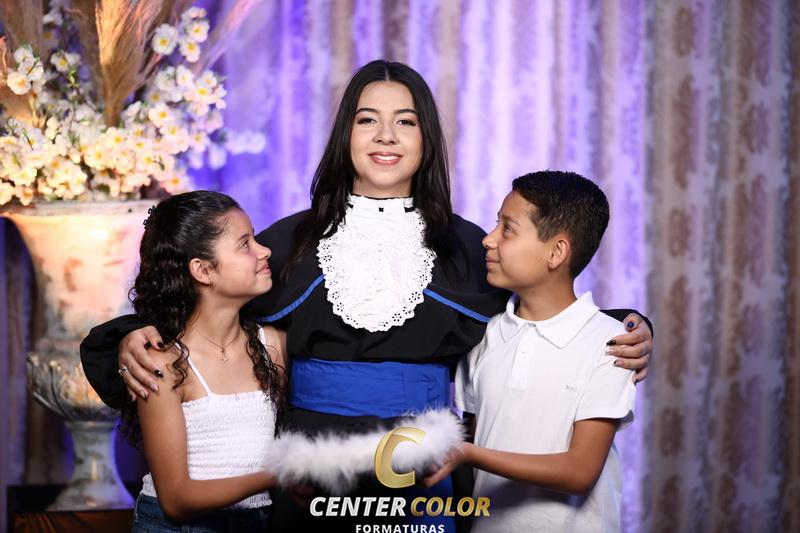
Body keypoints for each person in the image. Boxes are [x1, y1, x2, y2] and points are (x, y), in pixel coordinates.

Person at [80, 60, 653, 532]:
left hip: (422, 469)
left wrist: (627, 323)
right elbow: (193, 303)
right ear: (345, 135)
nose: (385, 136)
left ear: (426, 139)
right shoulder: (287, 243)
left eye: (405, 121)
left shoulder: (467, 247)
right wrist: (130, 335)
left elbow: (544, 306)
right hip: (310, 473)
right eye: (367, 120)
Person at [423, 171, 638, 532]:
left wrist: (469, 454)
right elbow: (476, 439)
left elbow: (580, 472)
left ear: (556, 252)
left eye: (507, 229)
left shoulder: (611, 344)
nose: (488, 240)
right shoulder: (484, 335)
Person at [121, 191, 286, 532]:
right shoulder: (163, 363)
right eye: (245, 244)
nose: (264, 251)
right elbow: (176, 500)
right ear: (203, 270)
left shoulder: (272, 346)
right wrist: (282, 473)